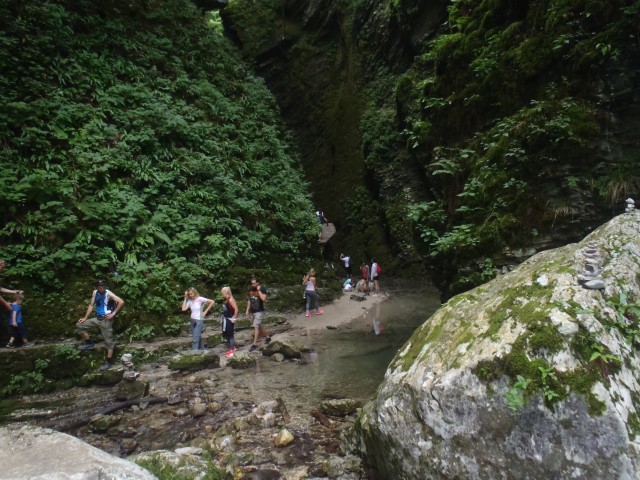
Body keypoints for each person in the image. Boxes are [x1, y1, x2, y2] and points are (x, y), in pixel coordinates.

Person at [77, 280, 125, 371]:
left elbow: (121, 302)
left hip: (106, 319)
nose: (102, 288)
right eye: (100, 286)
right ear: (97, 287)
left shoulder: (108, 293)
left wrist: (113, 314)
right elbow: (91, 305)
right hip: (98, 318)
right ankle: (88, 343)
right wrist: (85, 317)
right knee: (79, 325)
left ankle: (109, 361)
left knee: (109, 341)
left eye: (103, 286)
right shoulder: (95, 292)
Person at [246, 277, 271, 352]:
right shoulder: (250, 289)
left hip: (259, 311)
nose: (252, 285)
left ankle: (254, 345)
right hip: (253, 311)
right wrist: (247, 310)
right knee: (259, 326)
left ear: (257, 283)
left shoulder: (262, 289)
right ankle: (268, 337)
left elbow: (263, 299)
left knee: (255, 326)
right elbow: (249, 300)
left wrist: (258, 290)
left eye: (254, 283)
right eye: (252, 283)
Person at [220, 286, 238, 358]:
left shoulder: (230, 299)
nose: (222, 294)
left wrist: (234, 318)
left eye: (222, 293)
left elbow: (236, 309)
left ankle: (232, 350)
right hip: (226, 318)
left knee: (230, 335)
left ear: (225, 292)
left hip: (230, 319)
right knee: (227, 334)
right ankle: (232, 347)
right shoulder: (227, 299)